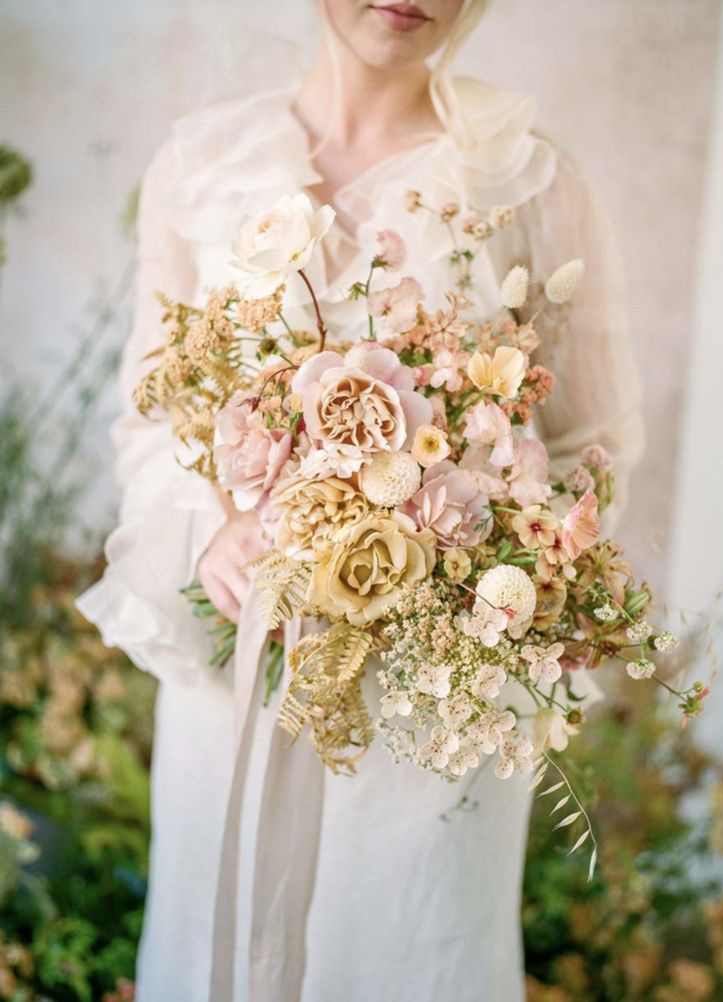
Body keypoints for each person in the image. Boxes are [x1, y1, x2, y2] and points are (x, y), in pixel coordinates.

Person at [78, 1, 644, 999]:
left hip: (432, 714)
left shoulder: (530, 182)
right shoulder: (203, 166)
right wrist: (216, 529)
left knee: (412, 952)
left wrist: (480, 542)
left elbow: (592, 448)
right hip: (242, 670)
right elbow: (149, 417)